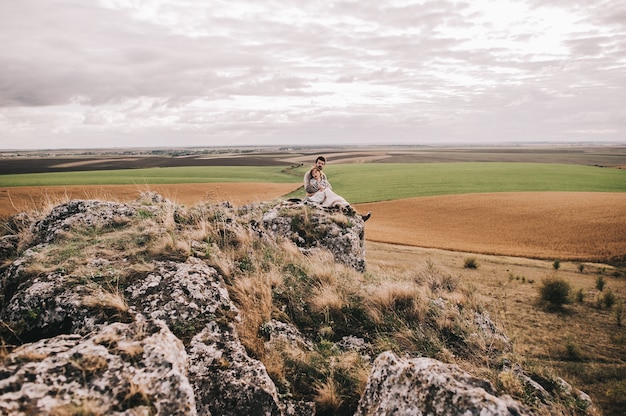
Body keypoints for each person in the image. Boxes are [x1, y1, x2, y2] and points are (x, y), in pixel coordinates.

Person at [304, 163, 371, 222]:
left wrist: (324, 188)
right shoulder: (312, 181)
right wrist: (321, 188)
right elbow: (312, 188)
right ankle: (358, 216)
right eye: (313, 174)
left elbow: (329, 187)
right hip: (320, 195)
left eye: (316, 172)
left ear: (319, 172)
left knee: (338, 200)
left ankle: (359, 216)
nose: (314, 174)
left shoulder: (323, 179)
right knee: (334, 200)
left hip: (327, 193)